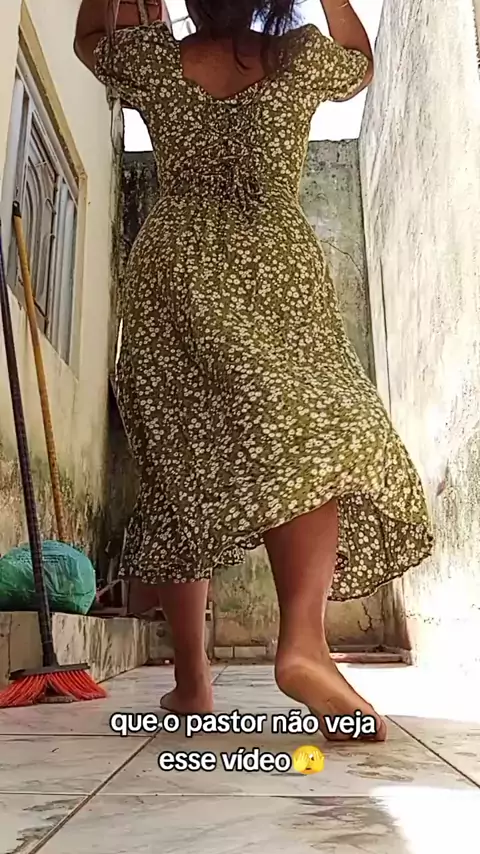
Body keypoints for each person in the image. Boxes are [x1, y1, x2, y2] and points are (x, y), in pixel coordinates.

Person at [75, 0, 433, 742]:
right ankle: (303, 644)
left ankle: (193, 684)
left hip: (173, 276)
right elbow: (361, 63)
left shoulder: (155, 59)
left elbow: (87, 41)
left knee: (180, 469)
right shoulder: (300, 56)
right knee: (316, 435)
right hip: (276, 274)